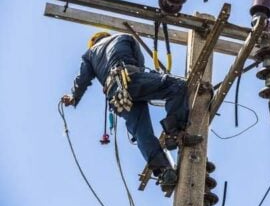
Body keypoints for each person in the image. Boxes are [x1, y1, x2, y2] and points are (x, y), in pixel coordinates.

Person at [61, 32, 202, 188]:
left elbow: (83, 79)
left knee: (141, 131)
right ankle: (175, 134)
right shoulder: (123, 36)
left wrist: (73, 96)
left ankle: (164, 171)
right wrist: (147, 85)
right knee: (178, 86)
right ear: (106, 35)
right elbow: (140, 64)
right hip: (130, 78)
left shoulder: (90, 54)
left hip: (116, 94)